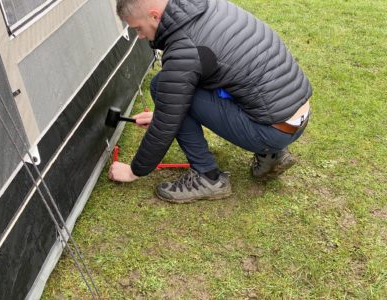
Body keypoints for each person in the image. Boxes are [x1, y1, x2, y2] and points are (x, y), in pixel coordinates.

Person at [108, 0, 312, 204]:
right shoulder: (203, 5)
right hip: (295, 115)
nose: (140, 36)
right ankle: (274, 155)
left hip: (272, 130)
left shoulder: (184, 48)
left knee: (161, 86)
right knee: (172, 91)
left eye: (138, 28)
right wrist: (166, 111)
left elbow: (165, 125)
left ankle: (207, 178)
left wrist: (133, 171)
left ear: (154, 16)